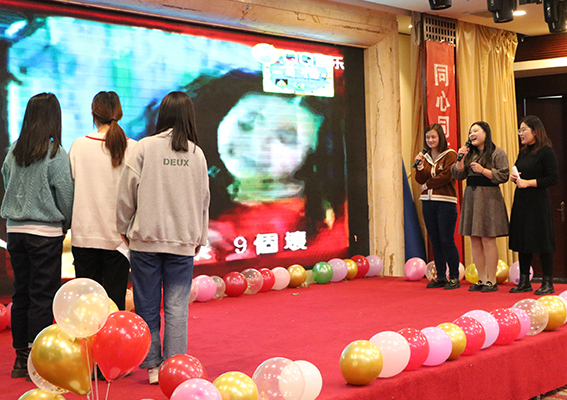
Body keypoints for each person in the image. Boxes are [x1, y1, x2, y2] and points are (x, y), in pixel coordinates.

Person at [116, 91, 210, 384]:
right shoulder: (196, 154)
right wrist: (199, 236)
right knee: (177, 308)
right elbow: (204, 200)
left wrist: (123, 227)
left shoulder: (144, 147)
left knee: (146, 305)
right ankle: (175, 366)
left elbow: (126, 193)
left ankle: (153, 367)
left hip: (145, 239)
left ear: (163, 114)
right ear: (189, 117)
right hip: (182, 241)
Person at [0, 93, 73, 378]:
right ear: (54, 118)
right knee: (43, 296)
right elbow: (66, 196)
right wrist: (65, 224)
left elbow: (7, 180)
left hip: (15, 231)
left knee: (21, 293)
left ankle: (21, 359)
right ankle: (38, 360)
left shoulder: (14, 150)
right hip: (45, 233)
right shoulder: (55, 153)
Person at [69, 91, 136, 310]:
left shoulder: (79, 146)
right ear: (120, 113)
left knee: (86, 309)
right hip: (119, 239)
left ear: (93, 114)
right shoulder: (134, 148)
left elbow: (70, 189)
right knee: (115, 305)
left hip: (84, 236)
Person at [451, 121, 509, 292]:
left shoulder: (497, 152)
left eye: (475, 130)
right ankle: (482, 279)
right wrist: (460, 158)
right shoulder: (469, 153)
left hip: (489, 198)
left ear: (486, 133)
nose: (472, 134)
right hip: (472, 198)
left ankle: (492, 280)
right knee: (474, 239)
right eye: (470, 131)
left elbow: (504, 175)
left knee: (488, 238)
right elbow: (458, 175)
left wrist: (483, 170)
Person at [509, 115, 559, 294]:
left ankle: (547, 282)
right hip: (522, 201)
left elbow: (553, 178)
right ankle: (524, 281)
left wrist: (528, 182)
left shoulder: (546, 151)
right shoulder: (524, 151)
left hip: (538, 203)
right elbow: (520, 172)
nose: (520, 133)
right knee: (523, 240)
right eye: (519, 130)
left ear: (535, 131)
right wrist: (515, 177)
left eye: (523, 130)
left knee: (543, 241)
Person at [413, 124, 460, 289]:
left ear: (440, 137)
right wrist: (420, 166)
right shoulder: (425, 157)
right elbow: (420, 179)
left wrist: (428, 184)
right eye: (428, 137)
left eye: (433, 137)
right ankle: (440, 276)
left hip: (445, 201)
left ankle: (454, 276)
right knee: (435, 240)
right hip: (428, 201)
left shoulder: (450, 154)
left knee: (447, 239)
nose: (430, 140)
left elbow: (446, 176)